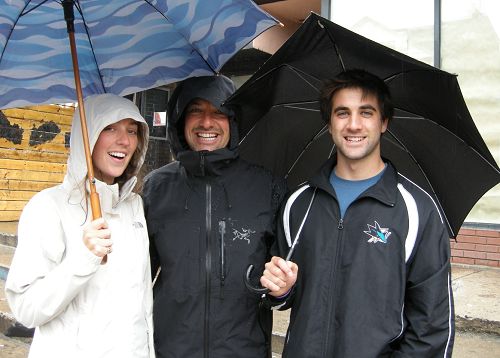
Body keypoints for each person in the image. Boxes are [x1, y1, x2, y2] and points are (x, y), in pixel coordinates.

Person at [260, 69, 455, 357]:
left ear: (383, 122)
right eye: (342, 113)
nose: (353, 124)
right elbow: (282, 298)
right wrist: (281, 290)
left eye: (366, 112)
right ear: (329, 124)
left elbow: (433, 327)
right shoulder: (298, 203)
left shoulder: (416, 210)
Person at [142, 75, 289, 358]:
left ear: (232, 122)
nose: (207, 122)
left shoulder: (268, 188)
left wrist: (282, 290)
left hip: (244, 351)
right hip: (170, 350)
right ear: (180, 121)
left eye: (219, 112)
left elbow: (284, 288)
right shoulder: (156, 188)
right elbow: (135, 278)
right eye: (196, 110)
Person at [5, 94, 155, 358]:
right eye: (110, 128)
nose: (124, 140)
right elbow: (27, 309)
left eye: (132, 130)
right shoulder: (48, 207)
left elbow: (142, 305)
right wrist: (83, 259)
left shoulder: (134, 206)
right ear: (86, 136)